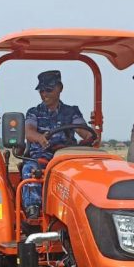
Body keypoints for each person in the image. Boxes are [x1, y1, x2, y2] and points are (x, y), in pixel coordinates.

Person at [23, 70, 92, 218]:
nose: (44, 94)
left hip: (67, 158)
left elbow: (83, 130)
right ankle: (33, 208)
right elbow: (29, 131)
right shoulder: (34, 112)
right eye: (41, 90)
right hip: (43, 157)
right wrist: (39, 137)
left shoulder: (71, 111)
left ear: (60, 88)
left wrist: (90, 137)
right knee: (30, 169)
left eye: (48, 90)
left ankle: (85, 208)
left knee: (87, 173)